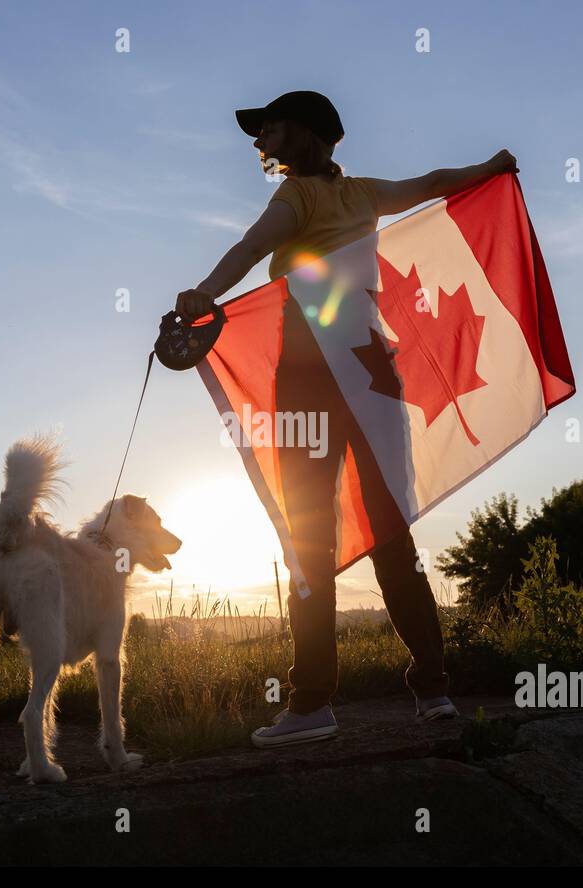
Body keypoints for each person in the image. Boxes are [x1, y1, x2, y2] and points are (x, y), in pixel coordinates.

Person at [174, 90, 519, 748]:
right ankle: (435, 691)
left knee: (309, 541)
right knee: (392, 532)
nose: (259, 138)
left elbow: (252, 248)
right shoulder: (363, 194)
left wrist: (204, 294)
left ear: (302, 133)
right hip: (371, 369)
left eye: (269, 125)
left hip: (307, 374)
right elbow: (436, 183)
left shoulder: (296, 198)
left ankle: (312, 703)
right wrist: (489, 166)